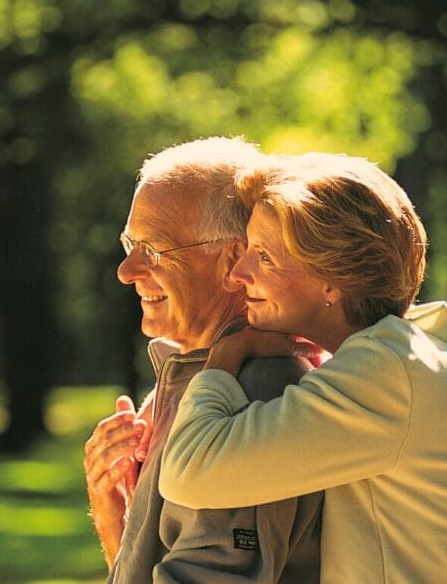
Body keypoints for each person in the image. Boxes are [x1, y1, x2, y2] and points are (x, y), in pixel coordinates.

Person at [159, 152, 447, 583]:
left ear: (333, 279)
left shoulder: (387, 376)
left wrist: (223, 361)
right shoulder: (422, 354)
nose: (238, 273)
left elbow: (190, 471)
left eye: (264, 256)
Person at [83, 137, 322, 582]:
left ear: (234, 261)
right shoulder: (194, 378)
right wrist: (116, 522)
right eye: (129, 244)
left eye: (154, 251)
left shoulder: (256, 395)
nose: (126, 271)